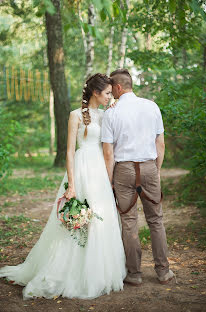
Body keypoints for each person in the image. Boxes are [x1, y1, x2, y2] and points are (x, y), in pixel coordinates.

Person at [0, 73, 126, 299]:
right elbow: (69, 151)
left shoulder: (106, 115)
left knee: (100, 218)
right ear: (96, 93)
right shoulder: (76, 115)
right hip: (82, 168)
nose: (110, 96)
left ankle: (98, 272)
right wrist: (72, 185)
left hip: (99, 173)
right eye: (107, 93)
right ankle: (67, 270)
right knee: (77, 219)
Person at [101, 69, 174, 287]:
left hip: (124, 170)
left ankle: (134, 274)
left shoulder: (111, 114)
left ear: (118, 88)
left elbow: (108, 153)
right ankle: (163, 271)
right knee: (156, 220)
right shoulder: (152, 107)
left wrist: (109, 180)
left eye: (111, 88)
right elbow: (160, 144)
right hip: (149, 166)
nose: (110, 93)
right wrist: (156, 169)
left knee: (129, 221)